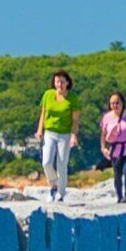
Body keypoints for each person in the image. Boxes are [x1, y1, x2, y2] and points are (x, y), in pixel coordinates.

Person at [35, 70, 79, 201]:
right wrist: (39, 130)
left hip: (65, 135)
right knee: (46, 162)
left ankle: (61, 193)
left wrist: (74, 135)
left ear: (67, 83)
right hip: (49, 132)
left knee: (62, 164)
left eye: (62, 82)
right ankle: (53, 185)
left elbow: (75, 119)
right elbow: (43, 113)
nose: (59, 84)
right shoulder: (48, 95)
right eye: (57, 82)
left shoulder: (72, 98)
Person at [100, 92, 126, 203]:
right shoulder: (107, 117)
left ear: (122, 103)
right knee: (117, 174)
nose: (115, 105)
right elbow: (103, 133)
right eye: (112, 103)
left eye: (117, 103)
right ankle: (119, 196)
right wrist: (103, 147)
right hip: (115, 150)